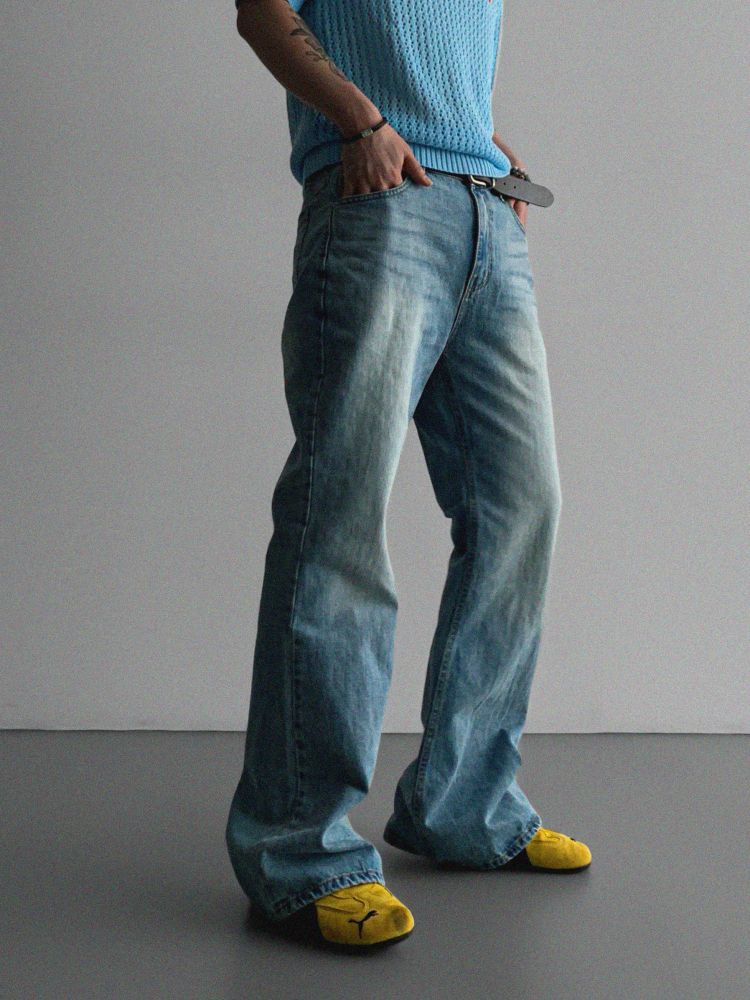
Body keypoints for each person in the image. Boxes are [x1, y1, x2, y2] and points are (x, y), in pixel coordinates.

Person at [226, 0, 591, 951]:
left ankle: (467, 808)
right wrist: (363, 124)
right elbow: (261, 13)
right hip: (378, 199)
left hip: (485, 211)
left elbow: (440, 57)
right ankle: (300, 854)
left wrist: (484, 149)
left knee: (522, 511)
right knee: (338, 518)